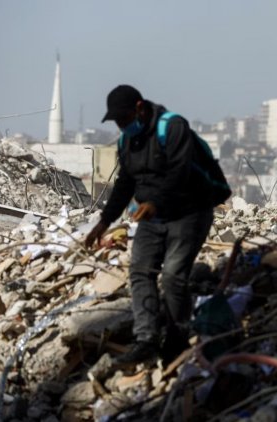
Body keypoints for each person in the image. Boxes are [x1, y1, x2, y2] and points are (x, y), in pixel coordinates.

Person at [85, 85, 214, 364]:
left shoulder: (173, 127)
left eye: (125, 119)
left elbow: (180, 171)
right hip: (153, 217)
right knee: (141, 271)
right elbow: (124, 184)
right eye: (118, 122)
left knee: (172, 276)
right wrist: (104, 221)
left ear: (140, 108)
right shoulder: (127, 142)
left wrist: (154, 201)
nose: (123, 126)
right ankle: (146, 339)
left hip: (189, 213)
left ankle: (178, 336)